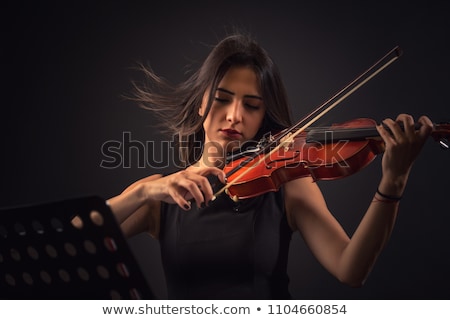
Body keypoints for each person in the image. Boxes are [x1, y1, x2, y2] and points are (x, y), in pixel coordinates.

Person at [106, 32, 433, 299]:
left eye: (251, 105)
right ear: (200, 104)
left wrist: (394, 180)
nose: (235, 115)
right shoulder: (161, 196)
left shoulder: (288, 185)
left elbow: (351, 270)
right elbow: (70, 236)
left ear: (263, 117)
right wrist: (144, 190)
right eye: (222, 99)